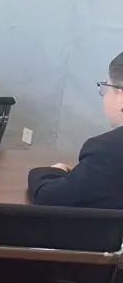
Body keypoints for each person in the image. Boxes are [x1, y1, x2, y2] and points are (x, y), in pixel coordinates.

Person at [28, 53, 123, 208]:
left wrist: (54, 172)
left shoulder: (107, 151)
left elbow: (46, 196)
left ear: (121, 95)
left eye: (106, 87)